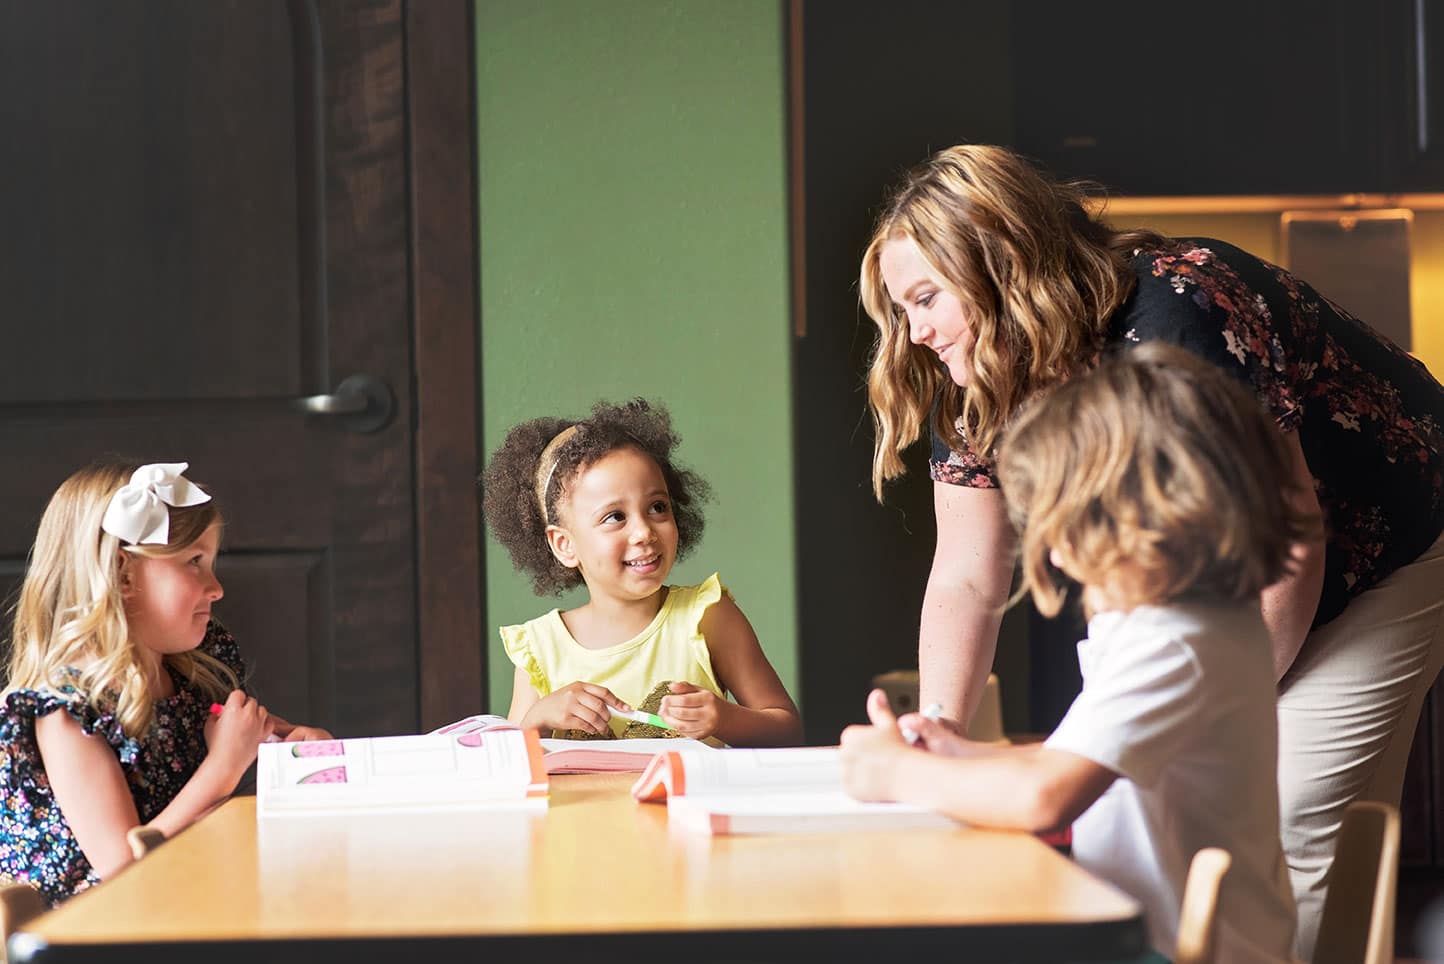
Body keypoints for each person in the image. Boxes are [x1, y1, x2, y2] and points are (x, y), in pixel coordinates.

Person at [859, 143, 1444, 959]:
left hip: (1384, 538)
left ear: (999, 264)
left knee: (1295, 808)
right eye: (901, 309)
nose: (915, 333)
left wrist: (1218, 708)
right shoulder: (975, 373)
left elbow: (1289, 537)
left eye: (926, 298)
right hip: (1218, 602)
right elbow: (964, 569)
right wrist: (940, 736)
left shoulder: (1180, 313)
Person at [841, 344, 1310, 959]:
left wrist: (894, 773)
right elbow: (1072, 764)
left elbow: (1046, 796)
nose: (1056, 557)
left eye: (1065, 525)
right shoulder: (1194, 621)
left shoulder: (1175, 641)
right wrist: (961, 755)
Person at [0, 460, 332, 904]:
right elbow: (122, 870)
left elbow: (253, 737)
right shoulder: (64, 709)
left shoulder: (191, 672)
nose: (215, 588)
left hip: (191, 895)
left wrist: (301, 749)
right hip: (105, 931)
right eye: (194, 562)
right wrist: (223, 768)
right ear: (122, 574)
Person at [481, 398, 801, 747]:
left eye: (657, 507)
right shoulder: (540, 649)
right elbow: (508, 768)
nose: (644, 532)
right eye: (615, 517)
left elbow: (787, 730)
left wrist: (723, 718)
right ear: (564, 545)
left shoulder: (708, 617)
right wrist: (537, 720)